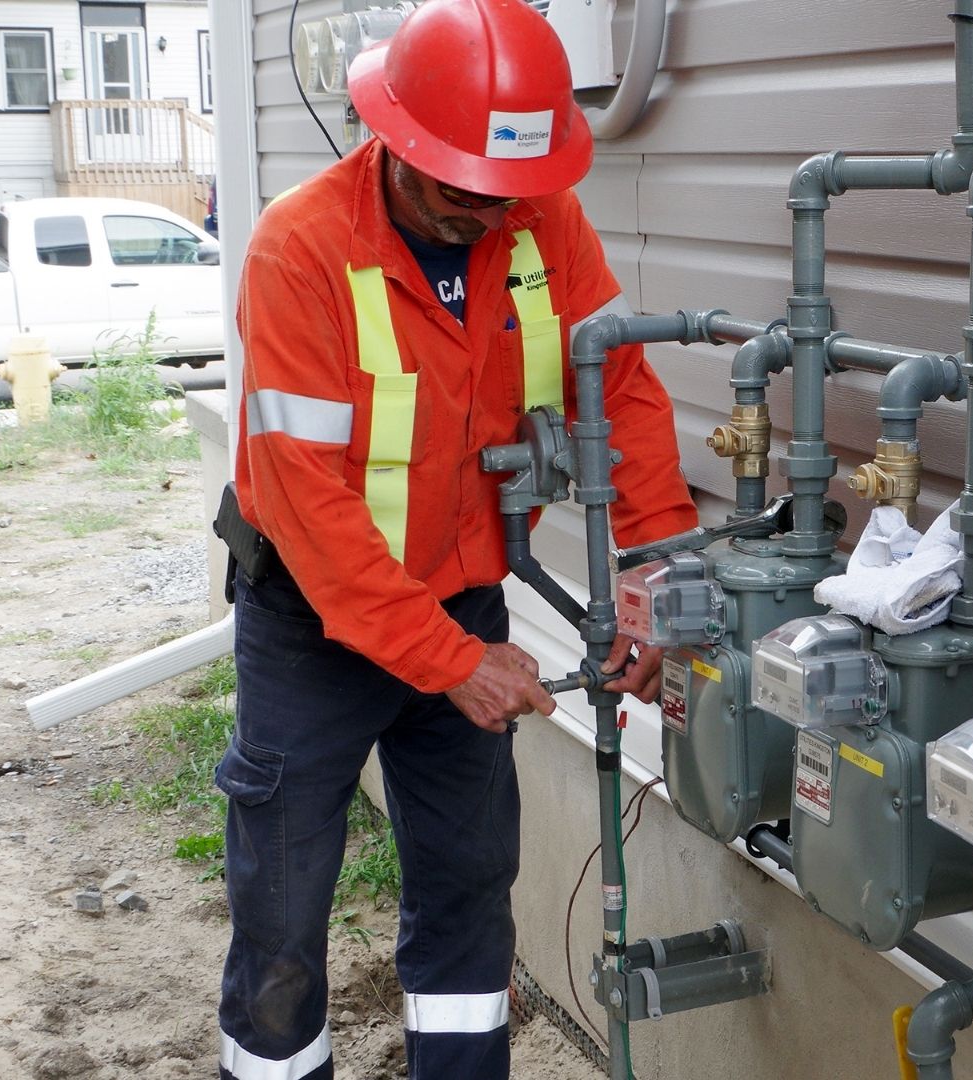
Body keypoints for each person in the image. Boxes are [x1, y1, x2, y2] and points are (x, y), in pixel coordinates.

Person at [214, 1, 697, 1077]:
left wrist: (658, 582)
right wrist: (447, 662)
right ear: (396, 141)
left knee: (470, 888)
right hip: (311, 631)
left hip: (468, 606)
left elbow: (618, 393)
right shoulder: (300, 250)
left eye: (508, 195)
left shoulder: (541, 223)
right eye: (458, 190)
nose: (487, 216)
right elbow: (305, 502)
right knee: (284, 912)